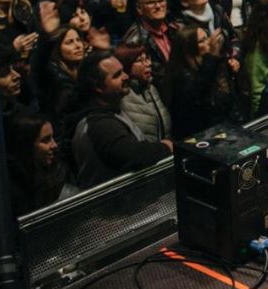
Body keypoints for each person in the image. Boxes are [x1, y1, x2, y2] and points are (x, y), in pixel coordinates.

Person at [71, 50, 173, 189]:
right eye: (117, 75)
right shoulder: (100, 124)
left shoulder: (113, 112)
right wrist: (165, 147)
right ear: (98, 87)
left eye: (123, 71)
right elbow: (134, 155)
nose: (126, 77)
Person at [163, 25, 237, 138]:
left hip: (221, 130)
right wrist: (212, 56)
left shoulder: (209, 64)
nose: (208, 42)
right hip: (197, 136)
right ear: (189, 47)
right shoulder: (181, 76)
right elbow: (198, 93)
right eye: (202, 41)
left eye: (207, 38)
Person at [5, 112, 74, 215]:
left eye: (53, 138)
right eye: (46, 140)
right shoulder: (9, 189)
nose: (54, 145)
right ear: (26, 146)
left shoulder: (59, 171)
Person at [114, 44, 171, 142]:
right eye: (140, 60)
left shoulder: (151, 88)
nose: (148, 63)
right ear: (125, 65)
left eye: (147, 58)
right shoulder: (121, 96)